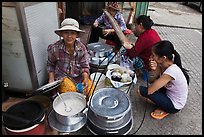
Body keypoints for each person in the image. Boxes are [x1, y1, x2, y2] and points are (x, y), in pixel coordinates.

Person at [137, 40, 190, 120]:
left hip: (175, 105)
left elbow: (150, 90)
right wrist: (154, 69)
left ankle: (165, 109)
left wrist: (153, 87)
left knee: (140, 91)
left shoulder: (171, 71)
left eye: (153, 55)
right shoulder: (163, 65)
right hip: (169, 94)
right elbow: (151, 80)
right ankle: (162, 103)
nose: (151, 57)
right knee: (150, 89)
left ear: (163, 58)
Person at [47, 18, 94, 99]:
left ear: (76, 35)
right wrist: (51, 79)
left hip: (78, 77)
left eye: (72, 33)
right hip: (62, 77)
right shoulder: (54, 48)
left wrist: (85, 79)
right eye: (66, 33)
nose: (69, 36)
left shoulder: (81, 48)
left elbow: (84, 67)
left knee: (91, 91)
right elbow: (50, 64)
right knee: (71, 93)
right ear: (61, 34)